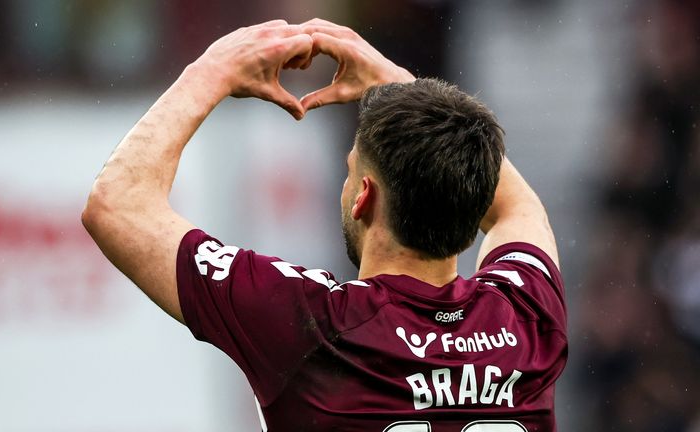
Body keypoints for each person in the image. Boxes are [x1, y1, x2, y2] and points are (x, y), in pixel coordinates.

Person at [82, 18, 567, 432]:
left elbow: (117, 206)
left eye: (351, 169)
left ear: (364, 196)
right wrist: (405, 89)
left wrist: (212, 69)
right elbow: (517, 207)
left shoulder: (312, 325)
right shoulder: (525, 317)